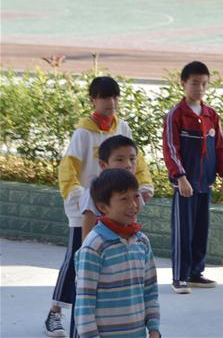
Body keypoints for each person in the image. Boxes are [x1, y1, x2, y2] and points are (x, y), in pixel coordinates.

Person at [46, 76, 153, 338]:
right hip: (87, 210)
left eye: (115, 97)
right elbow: (67, 169)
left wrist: (145, 185)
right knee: (77, 261)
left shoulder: (122, 127)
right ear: (93, 100)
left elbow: (137, 161)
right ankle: (55, 312)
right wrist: (79, 196)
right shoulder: (83, 132)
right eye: (105, 97)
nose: (111, 102)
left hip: (114, 210)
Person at [161, 61, 223, 294]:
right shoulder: (176, 115)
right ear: (183, 84)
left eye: (204, 84)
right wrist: (180, 177)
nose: (199, 88)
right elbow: (171, 149)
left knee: (201, 229)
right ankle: (179, 276)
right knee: (184, 230)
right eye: (194, 83)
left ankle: (195, 273)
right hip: (185, 187)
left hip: (205, 185)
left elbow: (220, 147)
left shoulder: (212, 115)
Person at [74, 168, 160, 338]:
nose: (133, 205)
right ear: (103, 207)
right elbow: (85, 300)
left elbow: (150, 290)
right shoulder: (94, 245)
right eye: (123, 199)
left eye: (135, 196)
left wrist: (154, 328)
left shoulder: (142, 242)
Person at [80, 135, 145, 237]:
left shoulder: (135, 190)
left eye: (132, 159)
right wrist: (86, 250)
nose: (128, 164)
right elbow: (88, 225)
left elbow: (133, 220)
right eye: (120, 160)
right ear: (103, 165)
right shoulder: (94, 192)